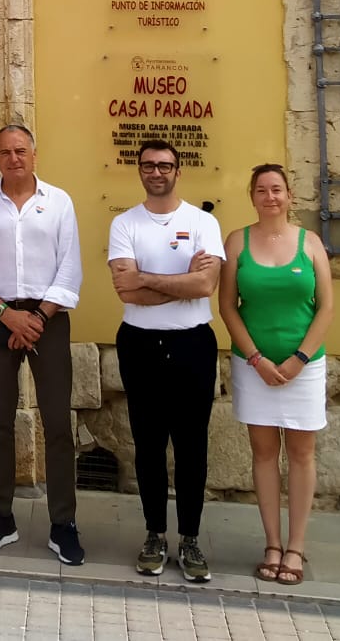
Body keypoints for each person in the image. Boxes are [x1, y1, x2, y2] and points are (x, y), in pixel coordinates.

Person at [0, 123, 84, 564]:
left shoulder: (59, 202)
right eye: (6, 152)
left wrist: (35, 318)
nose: (14, 158)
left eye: (21, 150)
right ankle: (0, 516)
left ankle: (63, 523)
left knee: (55, 422)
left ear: (34, 153)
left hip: (47, 318)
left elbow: (70, 267)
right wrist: (5, 314)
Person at [108, 139, 226, 582]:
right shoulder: (125, 224)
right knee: (149, 445)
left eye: (165, 165)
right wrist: (183, 278)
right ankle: (155, 533)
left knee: (193, 447)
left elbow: (205, 287)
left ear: (179, 170)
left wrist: (149, 280)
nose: (156, 172)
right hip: (139, 344)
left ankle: (191, 539)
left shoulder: (202, 222)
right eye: (148, 165)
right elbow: (125, 291)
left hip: (193, 344)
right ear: (139, 170)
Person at [220, 162, 333, 588]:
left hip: (303, 367)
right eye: (262, 190)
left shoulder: (310, 244)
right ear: (252, 196)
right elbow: (228, 305)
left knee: (302, 453)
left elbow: (326, 307)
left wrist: (298, 359)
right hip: (254, 366)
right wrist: (256, 359)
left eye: (277, 189)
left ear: (289, 196)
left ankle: (296, 547)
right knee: (264, 454)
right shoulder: (237, 242)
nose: (270, 197)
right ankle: (271, 543)